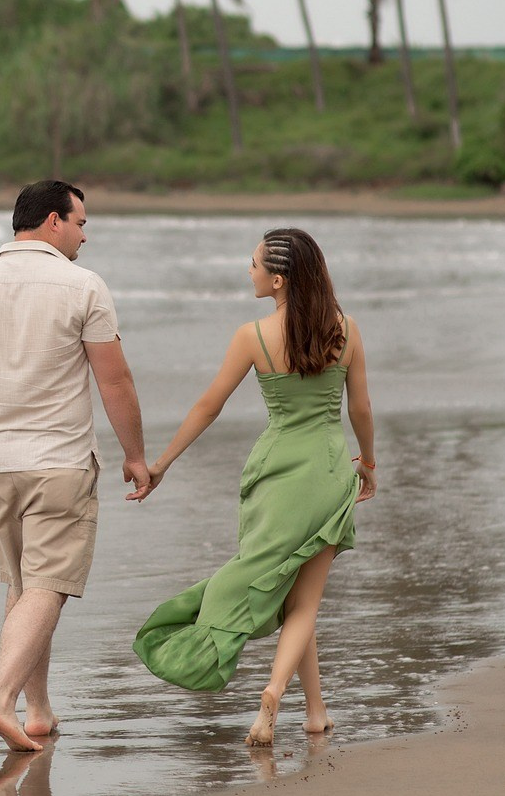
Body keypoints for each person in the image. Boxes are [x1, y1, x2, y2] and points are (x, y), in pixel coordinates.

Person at [0, 180, 153, 753]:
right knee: (48, 585)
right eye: (80, 223)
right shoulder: (83, 285)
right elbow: (115, 379)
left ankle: (38, 710)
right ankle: (0, 700)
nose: (84, 235)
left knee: (26, 586)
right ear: (53, 221)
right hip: (60, 461)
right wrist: (135, 455)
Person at [131, 226, 378, 745]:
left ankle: (303, 704)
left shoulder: (253, 336)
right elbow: (360, 408)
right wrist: (369, 462)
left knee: (291, 597)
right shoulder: (346, 330)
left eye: (254, 264)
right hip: (328, 471)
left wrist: (163, 463)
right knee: (303, 602)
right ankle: (294, 701)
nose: (250, 272)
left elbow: (209, 406)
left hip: (275, 474)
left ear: (279, 280)